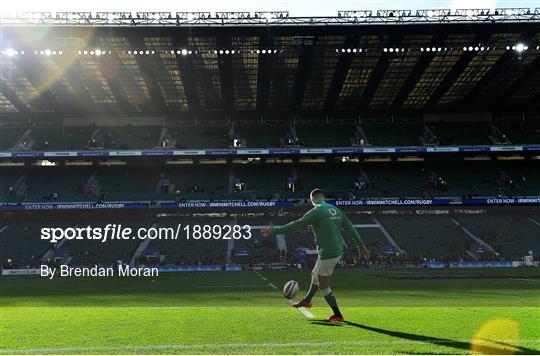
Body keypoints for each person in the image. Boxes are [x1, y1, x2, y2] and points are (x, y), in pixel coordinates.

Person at [262, 188, 369, 322]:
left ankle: (338, 315)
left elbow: (297, 224)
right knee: (315, 275)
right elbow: (351, 228)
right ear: (323, 197)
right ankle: (307, 300)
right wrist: (361, 246)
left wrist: (274, 230)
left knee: (323, 286)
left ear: (312, 200)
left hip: (328, 253)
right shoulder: (336, 210)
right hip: (333, 251)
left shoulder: (316, 211)